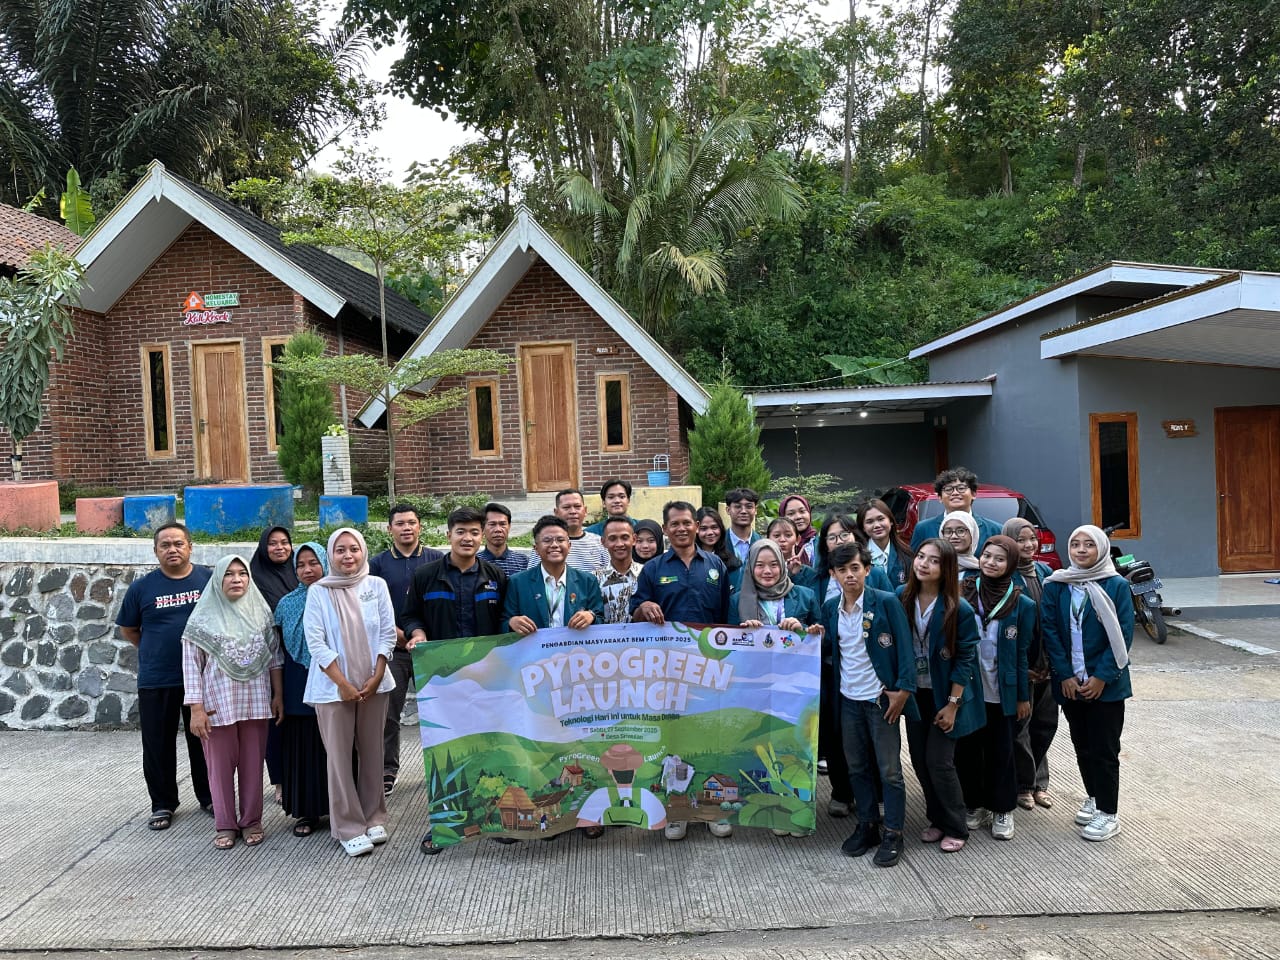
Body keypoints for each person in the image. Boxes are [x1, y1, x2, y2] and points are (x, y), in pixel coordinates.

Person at [401, 507, 509, 855]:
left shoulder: (495, 577)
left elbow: (505, 621)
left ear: (482, 536)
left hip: (487, 679)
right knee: (445, 753)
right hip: (442, 681)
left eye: (474, 532)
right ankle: (445, 825)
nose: (468, 538)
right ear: (448, 534)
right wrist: (416, 633)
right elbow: (410, 615)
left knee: (489, 749)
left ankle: (493, 818)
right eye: (460, 531)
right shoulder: (425, 576)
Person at [630, 500, 730, 841]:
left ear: (697, 526)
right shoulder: (653, 569)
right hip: (668, 669)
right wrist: (644, 606)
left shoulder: (715, 564)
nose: (683, 529)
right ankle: (678, 811)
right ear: (666, 529)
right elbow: (634, 614)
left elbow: (727, 619)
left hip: (709, 668)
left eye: (688, 523)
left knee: (709, 737)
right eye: (675, 524)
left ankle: (712, 808)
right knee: (676, 741)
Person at [304, 527, 396, 858]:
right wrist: (342, 682)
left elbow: (388, 632)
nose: (348, 556)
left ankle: (373, 817)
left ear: (363, 552)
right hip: (333, 689)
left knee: (372, 752)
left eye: (353, 549)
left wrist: (377, 673)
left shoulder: (377, 585)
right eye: (340, 550)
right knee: (340, 758)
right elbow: (316, 641)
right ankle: (347, 826)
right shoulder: (318, 591)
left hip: (374, 684)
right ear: (331, 555)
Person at [115, 522, 213, 831]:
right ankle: (162, 804)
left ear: (190, 547)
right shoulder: (142, 588)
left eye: (178, 544)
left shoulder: (208, 580)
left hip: (201, 677)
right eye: (165, 545)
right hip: (157, 678)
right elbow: (129, 629)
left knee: (204, 741)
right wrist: (153, 650)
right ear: (156, 551)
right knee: (157, 745)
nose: (172, 549)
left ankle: (210, 797)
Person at [822, 541, 914, 867]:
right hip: (848, 700)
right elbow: (829, 648)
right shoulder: (831, 608)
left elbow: (905, 648)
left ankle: (894, 832)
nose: (849, 575)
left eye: (855, 568)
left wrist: (902, 690)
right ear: (833, 574)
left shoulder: (886, 602)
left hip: (880, 700)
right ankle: (867, 824)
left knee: (889, 771)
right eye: (842, 570)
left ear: (867, 569)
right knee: (857, 766)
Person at [183, 555, 283, 850]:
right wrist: (196, 709)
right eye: (229, 574)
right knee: (219, 767)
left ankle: (252, 820)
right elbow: (191, 666)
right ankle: (225, 823)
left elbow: (275, 657)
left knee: (253, 765)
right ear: (218, 580)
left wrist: (278, 695)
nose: (237, 579)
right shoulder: (202, 619)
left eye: (242, 574)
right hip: (217, 704)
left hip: (255, 703)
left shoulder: (261, 613)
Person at [1042, 525, 1134, 842]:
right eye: (1076, 544)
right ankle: (1094, 797)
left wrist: (1101, 677)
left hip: (1105, 685)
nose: (1081, 550)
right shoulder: (1057, 585)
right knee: (1082, 745)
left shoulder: (1116, 585)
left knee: (1105, 749)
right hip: (1070, 684)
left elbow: (1122, 635)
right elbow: (1050, 632)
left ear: (1102, 550)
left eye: (1089, 545)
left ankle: (1109, 813)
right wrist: (1065, 674)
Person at [899, 539, 984, 852]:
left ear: (945, 568)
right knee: (920, 761)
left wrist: (952, 704)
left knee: (940, 762)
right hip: (916, 693)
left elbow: (965, 659)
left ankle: (957, 826)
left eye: (933, 561)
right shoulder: (902, 598)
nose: (923, 564)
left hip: (946, 696)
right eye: (920, 557)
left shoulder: (957, 608)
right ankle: (936, 819)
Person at [957, 535, 1034, 841]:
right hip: (969, 690)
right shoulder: (963, 592)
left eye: (999, 559)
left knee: (1002, 751)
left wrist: (1022, 695)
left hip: (1002, 690)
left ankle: (1002, 808)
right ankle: (973, 804)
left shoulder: (1022, 602)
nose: (991, 563)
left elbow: (1024, 651)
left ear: (1011, 564)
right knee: (968, 751)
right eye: (987, 556)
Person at [368, 503, 444, 798]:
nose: (406, 528)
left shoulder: (437, 559)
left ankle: (442, 767)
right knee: (389, 713)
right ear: (390, 529)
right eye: (400, 523)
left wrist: (423, 639)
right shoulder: (378, 564)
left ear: (420, 526)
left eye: (412, 522)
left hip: (431, 648)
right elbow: (372, 608)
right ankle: (388, 769)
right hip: (394, 650)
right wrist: (400, 637)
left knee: (438, 711)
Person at [273, 541, 332, 838]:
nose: (307, 570)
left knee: (334, 743)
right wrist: (279, 693)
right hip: (298, 677)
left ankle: (338, 808)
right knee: (302, 744)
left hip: (333, 676)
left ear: (325, 562)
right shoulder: (287, 603)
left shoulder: (338, 594)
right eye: (301, 565)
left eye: (313, 563)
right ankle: (306, 811)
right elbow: (278, 652)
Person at [1004, 517, 1059, 810]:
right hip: (1022, 666)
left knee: (1046, 723)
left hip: (1048, 664)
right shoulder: (1005, 576)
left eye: (1031, 539)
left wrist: (1052, 662)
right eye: (1020, 539)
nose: (1027, 545)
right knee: (1020, 727)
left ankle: (1041, 782)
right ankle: (1024, 784)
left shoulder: (1045, 571)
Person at [729, 539, 822, 632]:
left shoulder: (805, 596)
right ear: (751, 567)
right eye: (760, 565)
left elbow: (820, 638)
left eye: (774, 565)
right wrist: (744, 632)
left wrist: (801, 629)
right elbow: (728, 639)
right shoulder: (737, 601)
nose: (767, 571)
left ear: (782, 565)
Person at [910, 467, 1003, 552]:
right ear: (939, 497)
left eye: (961, 488)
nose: (955, 493)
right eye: (948, 489)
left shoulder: (995, 530)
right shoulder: (923, 528)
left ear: (974, 494)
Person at [595, 516, 643, 624]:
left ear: (634, 539)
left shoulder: (647, 573)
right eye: (612, 538)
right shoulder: (594, 579)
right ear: (603, 542)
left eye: (625, 537)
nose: (619, 544)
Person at [857, 498, 911, 588]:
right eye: (870, 522)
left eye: (881, 519)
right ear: (863, 527)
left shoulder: (906, 556)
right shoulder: (857, 557)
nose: (877, 525)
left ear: (891, 521)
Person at [554, 489, 610, 572]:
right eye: (566, 507)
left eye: (577, 507)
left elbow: (610, 576)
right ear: (556, 512)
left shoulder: (600, 543)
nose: (573, 511)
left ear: (585, 511)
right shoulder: (547, 544)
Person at [478, 502, 535, 576]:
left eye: (502, 524)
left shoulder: (524, 562)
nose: (498, 529)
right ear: (482, 528)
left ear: (509, 526)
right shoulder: (475, 562)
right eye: (492, 524)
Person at [695, 507, 740, 585]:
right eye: (704, 528)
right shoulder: (688, 560)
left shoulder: (732, 563)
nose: (710, 532)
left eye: (714, 527)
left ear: (721, 529)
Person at [724, 488, 761, 565]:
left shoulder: (762, 543)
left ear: (756, 510)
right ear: (728, 510)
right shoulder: (719, 542)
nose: (743, 511)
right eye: (738, 507)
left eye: (749, 507)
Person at [779, 494, 818, 565]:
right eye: (791, 514)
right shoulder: (779, 544)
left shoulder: (822, 543)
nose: (798, 517)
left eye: (802, 511)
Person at [940, 511, 981, 576]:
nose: (954, 536)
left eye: (961, 531)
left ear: (972, 534)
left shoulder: (983, 572)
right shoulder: (934, 567)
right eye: (948, 531)